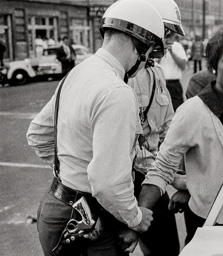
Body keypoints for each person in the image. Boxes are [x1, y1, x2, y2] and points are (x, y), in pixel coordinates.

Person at [26, 0, 165, 255]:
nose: (146, 64)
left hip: (56, 206)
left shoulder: (79, 72)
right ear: (141, 46)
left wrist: (72, 171)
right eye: (150, 54)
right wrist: (136, 217)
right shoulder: (117, 92)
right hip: (89, 219)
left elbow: (38, 134)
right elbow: (107, 184)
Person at [137, 20, 223, 245]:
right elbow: (163, 167)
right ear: (214, 66)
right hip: (213, 221)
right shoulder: (194, 110)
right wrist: (137, 217)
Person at [125, 0, 185, 255]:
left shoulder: (157, 73)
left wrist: (178, 171)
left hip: (150, 176)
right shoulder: (120, 75)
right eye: (167, 33)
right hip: (125, 182)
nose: (170, 40)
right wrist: (172, 178)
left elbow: (170, 129)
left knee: (166, 248)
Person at [159, 33, 188, 111]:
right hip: (160, 84)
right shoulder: (157, 45)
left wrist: (172, 53)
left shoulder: (178, 46)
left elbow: (183, 65)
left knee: (177, 110)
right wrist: (161, 52)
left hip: (174, 84)